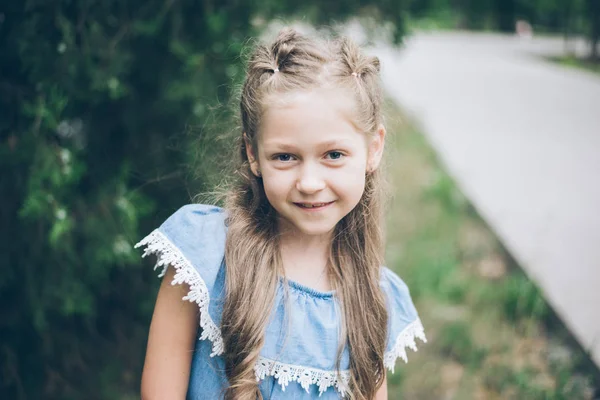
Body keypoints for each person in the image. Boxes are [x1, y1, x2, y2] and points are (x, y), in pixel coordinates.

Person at [135, 27, 427, 400]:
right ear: (253, 154)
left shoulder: (374, 298)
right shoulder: (205, 257)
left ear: (373, 149)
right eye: (285, 157)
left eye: (333, 155)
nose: (309, 182)